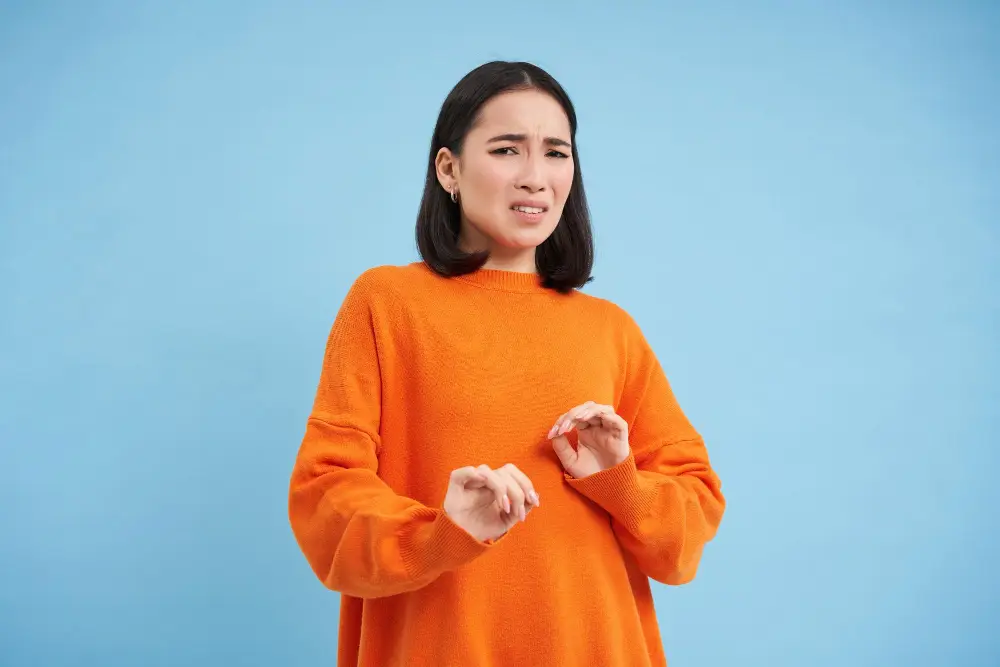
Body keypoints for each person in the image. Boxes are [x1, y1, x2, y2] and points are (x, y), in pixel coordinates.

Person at [287, 60, 725, 667]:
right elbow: (325, 496)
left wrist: (619, 484)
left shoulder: (610, 329)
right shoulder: (386, 303)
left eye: (556, 152)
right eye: (505, 149)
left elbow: (687, 531)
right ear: (449, 169)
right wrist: (443, 533)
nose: (535, 178)